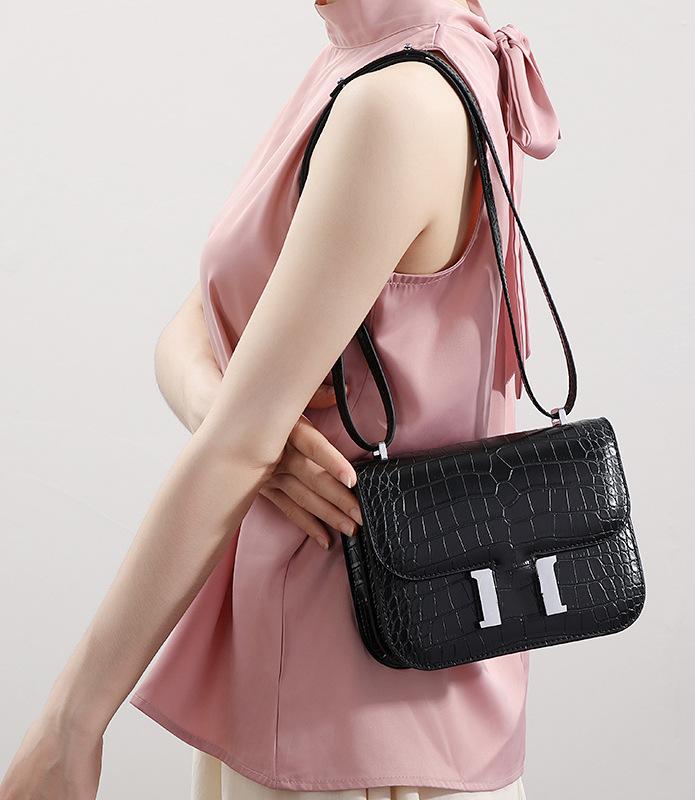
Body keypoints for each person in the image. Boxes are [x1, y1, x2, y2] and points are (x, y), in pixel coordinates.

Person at [0, 1, 561, 798]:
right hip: (323, 678)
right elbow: (198, 326)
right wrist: (240, 422)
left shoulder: (396, 100)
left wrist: (71, 725)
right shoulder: (374, 62)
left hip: (349, 710)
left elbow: (234, 432)